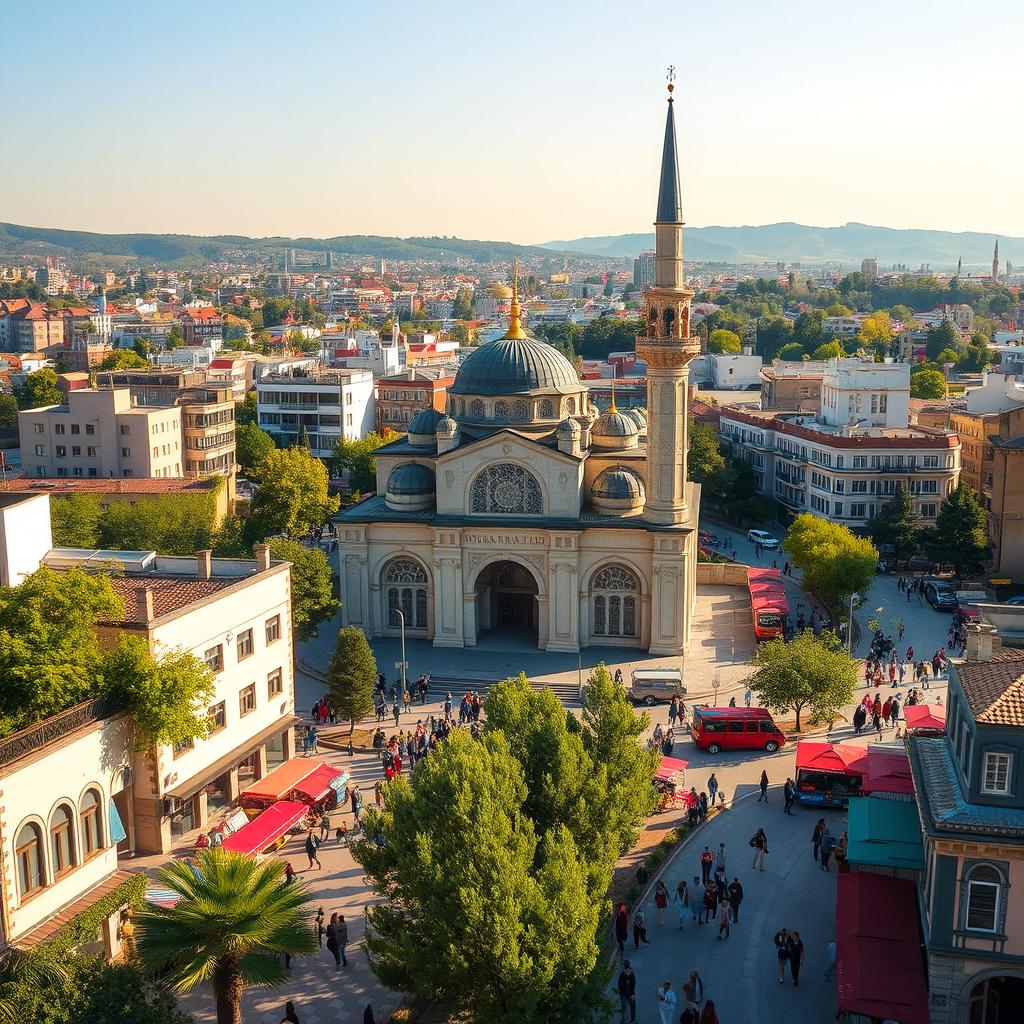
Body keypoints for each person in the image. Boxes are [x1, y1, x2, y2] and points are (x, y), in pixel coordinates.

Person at [616, 960, 637, 1024]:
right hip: (627, 993)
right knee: (631, 1006)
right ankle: (631, 1020)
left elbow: (620, 983)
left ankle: (626, 1019)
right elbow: (620, 983)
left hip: (626, 993)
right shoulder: (625, 974)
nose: (627, 971)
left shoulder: (626, 974)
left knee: (626, 1006)